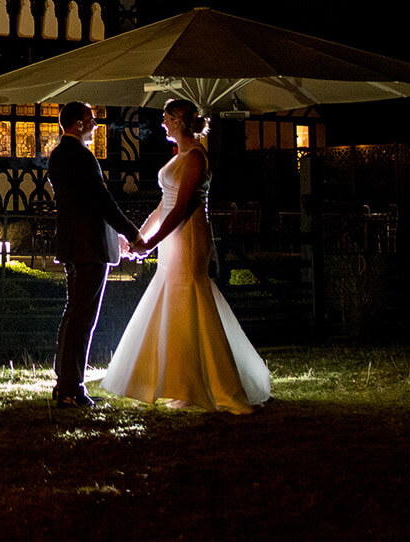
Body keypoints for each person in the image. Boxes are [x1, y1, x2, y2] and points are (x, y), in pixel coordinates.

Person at [98, 98, 271, 412]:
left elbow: (180, 208)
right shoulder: (180, 156)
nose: (162, 123)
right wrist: (140, 237)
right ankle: (185, 384)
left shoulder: (194, 157)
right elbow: (164, 205)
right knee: (177, 309)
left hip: (189, 237)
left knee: (190, 301)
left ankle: (216, 385)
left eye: (166, 117)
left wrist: (150, 243)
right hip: (172, 240)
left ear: (178, 120)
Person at [47, 100, 147, 408]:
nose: (96, 125)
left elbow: (81, 202)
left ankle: (64, 381)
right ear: (78, 124)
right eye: (91, 120)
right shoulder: (81, 156)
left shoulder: (58, 155)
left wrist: (114, 232)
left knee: (72, 313)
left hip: (73, 244)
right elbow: (101, 200)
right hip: (89, 246)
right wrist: (132, 233)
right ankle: (71, 388)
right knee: (83, 317)